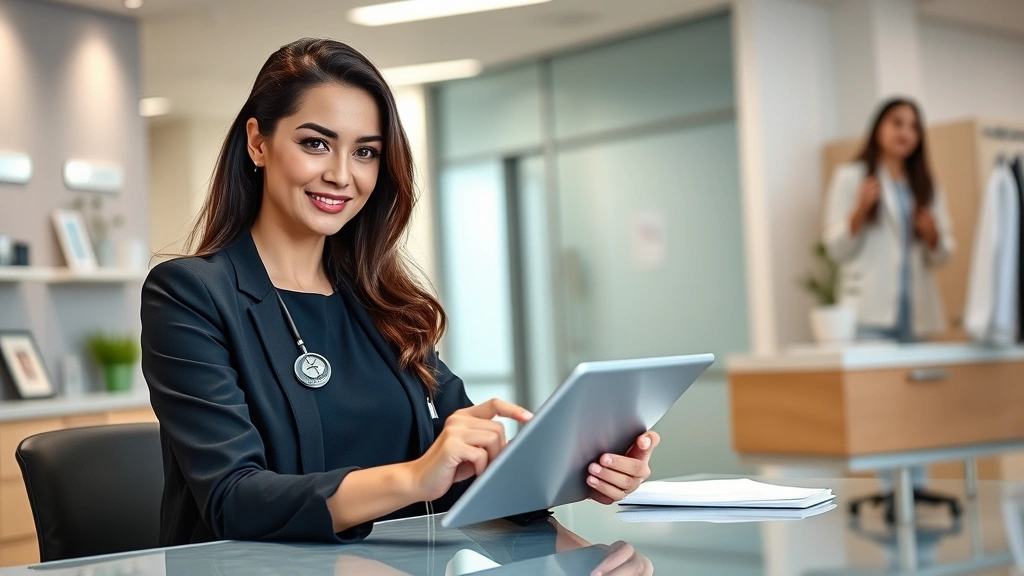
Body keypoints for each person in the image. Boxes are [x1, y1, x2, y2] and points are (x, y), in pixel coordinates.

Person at [141, 38, 659, 547]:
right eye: (315, 143)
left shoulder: (386, 303)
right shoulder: (190, 294)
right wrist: (413, 477)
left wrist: (580, 472)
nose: (341, 175)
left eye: (365, 152)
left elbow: (466, 470)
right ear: (258, 142)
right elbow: (233, 499)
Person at [822, 97, 955, 343]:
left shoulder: (926, 186)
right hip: (868, 314)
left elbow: (944, 255)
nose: (905, 133)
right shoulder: (851, 177)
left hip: (916, 316)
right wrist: (859, 212)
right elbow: (835, 249)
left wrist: (933, 236)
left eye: (913, 127)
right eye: (897, 123)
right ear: (877, 128)